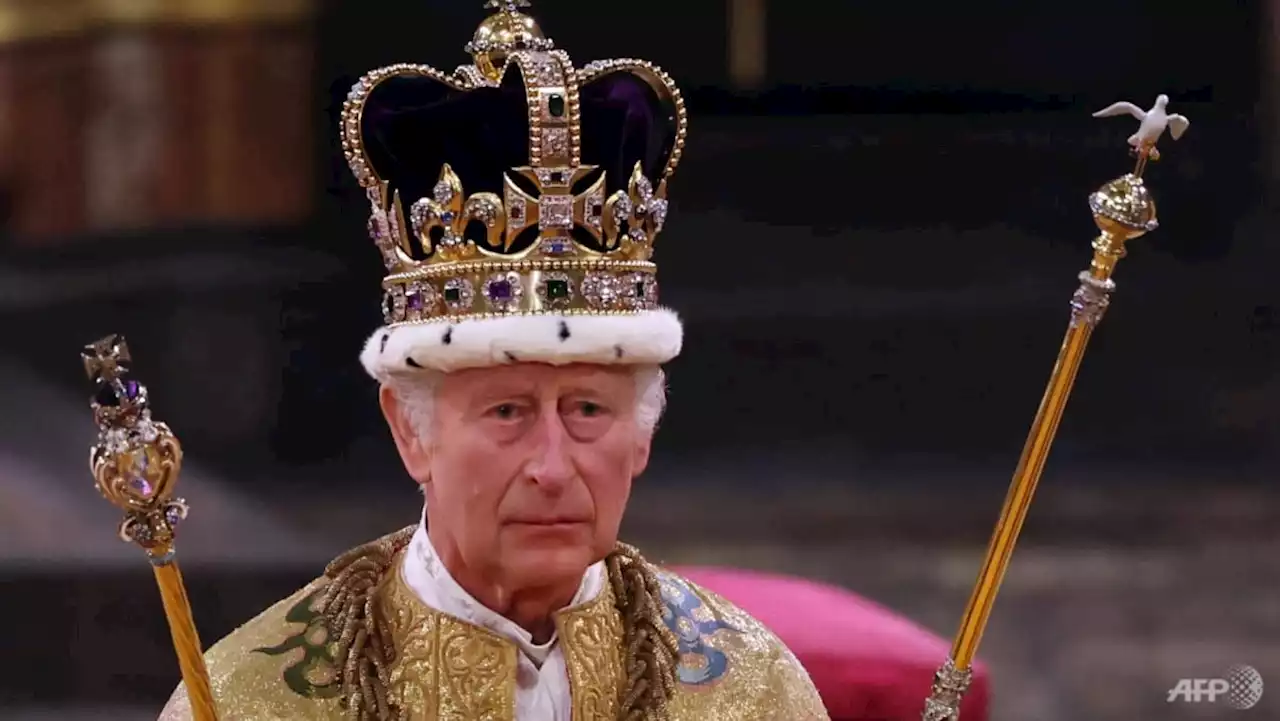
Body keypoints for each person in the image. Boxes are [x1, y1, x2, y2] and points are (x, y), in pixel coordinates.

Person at [160, 2, 828, 719]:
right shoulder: (246, 703)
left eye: (589, 410)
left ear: (642, 434)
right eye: (508, 410)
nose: (552, 466)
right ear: (410, 430)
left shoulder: (755, 693)